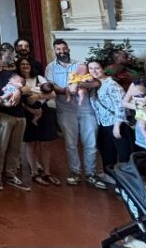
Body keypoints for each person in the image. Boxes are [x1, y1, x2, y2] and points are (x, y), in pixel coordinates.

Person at [45, 39, 106, 189]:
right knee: (71, 143)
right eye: (58, 49)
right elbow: (50, 86)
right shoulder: (51, 67)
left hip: (86, 109)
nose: (62, 51)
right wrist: (68, 90)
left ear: (68, 49)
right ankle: (75, 172)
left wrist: (80, 85)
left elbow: (96, 81)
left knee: (90, 143)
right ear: (55, 51)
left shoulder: (80, 64)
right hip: (65, 110)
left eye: (64, 48)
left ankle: (91, 173)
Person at [0, 52, 30, 191]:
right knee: (1, 146)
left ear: (1, 59)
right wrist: (1, 101)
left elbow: (26, 86)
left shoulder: (12, 73)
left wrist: (18, 92)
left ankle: (11, 174)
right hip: (3, 114)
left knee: (16, 147)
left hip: (19, 114)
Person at [16, 57, 60, 187]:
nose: (25, 66)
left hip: (43, 112)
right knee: (30, 144)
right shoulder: (17, 80)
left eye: (27, 64)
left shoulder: (39, 78)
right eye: (22, 64)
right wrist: (30, 109)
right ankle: (34, 172)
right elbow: (18, 99)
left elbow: (53, 95)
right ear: (19, 66)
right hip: (27, 113)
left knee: (46, 143)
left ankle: (47, 172)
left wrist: (38, 96)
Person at [88, 60, 132, 177]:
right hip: (103, 124)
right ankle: (111, 176)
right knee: (107, 152)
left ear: (103, 69)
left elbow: (120, 105)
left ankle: (127, 179)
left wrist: (117, 126)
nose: (94, 71)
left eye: (97, 68)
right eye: (91, 68)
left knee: (123, 153)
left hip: (116, 123)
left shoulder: (111, 84)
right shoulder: (94, 86)